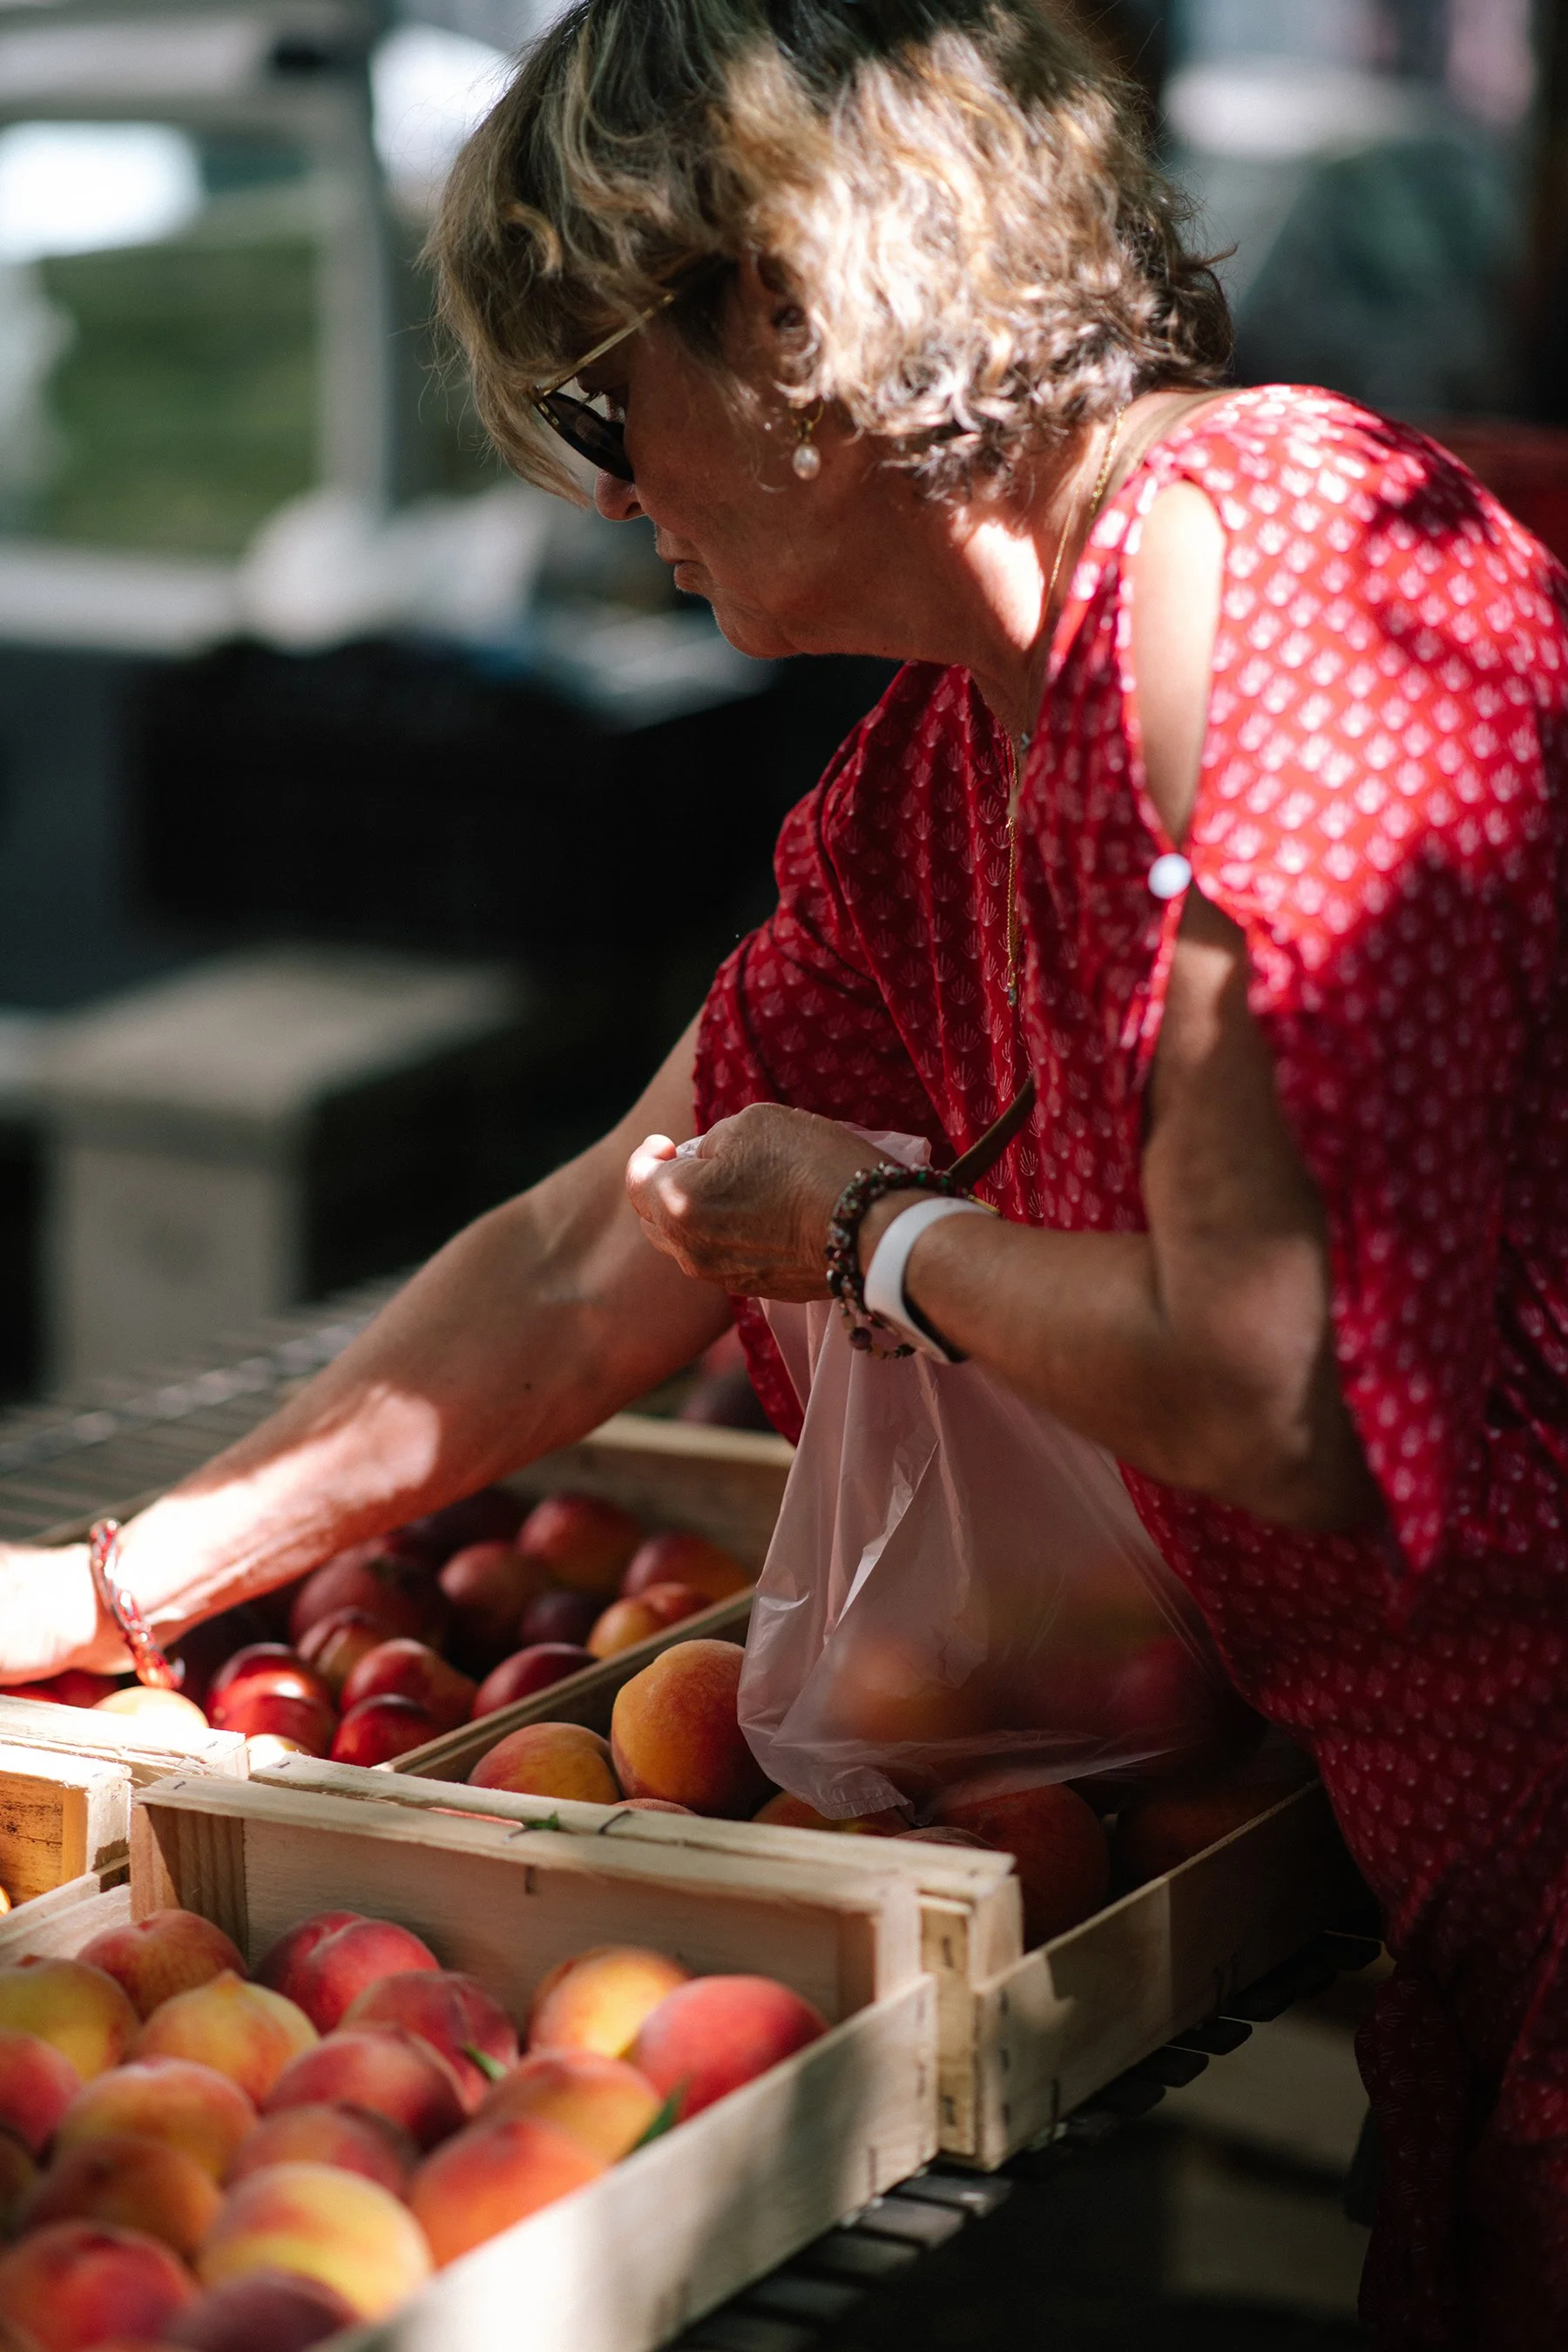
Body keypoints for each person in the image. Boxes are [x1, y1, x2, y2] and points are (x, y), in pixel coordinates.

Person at [3, 3, 1565, 2339]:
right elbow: (585, 1247)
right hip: (1454, 1858)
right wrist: (123, 1581)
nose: (606, 494)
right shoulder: (942, 783)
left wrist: (875, 1239)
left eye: (603, 402)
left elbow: (1281, 1387)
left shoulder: (1280, 579)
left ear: (788, 312)